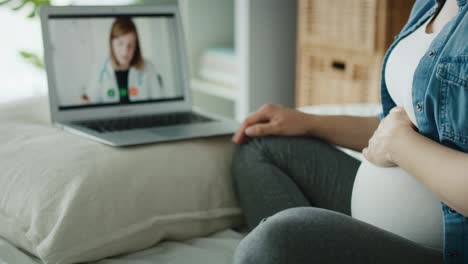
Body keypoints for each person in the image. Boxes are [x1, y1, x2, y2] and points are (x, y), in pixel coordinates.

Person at [231, 0, 467, 263]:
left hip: (446, 248)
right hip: (374, 221)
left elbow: (397, 139)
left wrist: (400, 146)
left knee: (270, 244)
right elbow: (393, 129)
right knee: (260, 142)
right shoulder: (430, 4)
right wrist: (307, 122)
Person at [83, 17, 164, 104]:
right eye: (120, 44)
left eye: (130, 45)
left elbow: (159, 103)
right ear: (111, 43)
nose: (125, 51)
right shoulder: (99, 67)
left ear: (136, 46)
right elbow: (90, 102)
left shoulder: (148, 67)